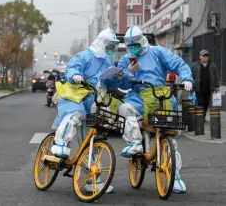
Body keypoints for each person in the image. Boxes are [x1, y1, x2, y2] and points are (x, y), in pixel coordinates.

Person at [116, 26, 194, 193]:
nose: (133, 49)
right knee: (125, 108)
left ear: (142, 41)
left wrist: (186, 78)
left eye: (135, 44)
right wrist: (127, 75)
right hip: (138, 96)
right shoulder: (127, 59)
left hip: (161, 97)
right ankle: (135, 143)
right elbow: (120, 82)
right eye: (130, 46)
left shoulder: (158, 52)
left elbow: (178, 64)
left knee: (171, 140)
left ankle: (175, 177)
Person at [51, 27, 121, 193]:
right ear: (101, 43)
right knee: (75, 115)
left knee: (91, 144)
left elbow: (107, 83)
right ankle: (60, 144)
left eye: (113, 46)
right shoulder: (84, 56)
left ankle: (92, 180)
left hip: (93, 102)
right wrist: (75, 75)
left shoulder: (108, 62)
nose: (111, 49)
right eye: (109, 45)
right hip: (73, 96)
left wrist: (118, 78)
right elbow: (72, 68)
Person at [190, 50, 220, 120]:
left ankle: (203, 115)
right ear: (200, 57)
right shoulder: (194, 65)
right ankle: (200, 117)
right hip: (198, 88)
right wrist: (191, 85)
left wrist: (217, 86)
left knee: (206, 103)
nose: (205, 57)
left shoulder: (212, 66)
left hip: (209, 88)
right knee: (201, 103)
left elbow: (216, 76)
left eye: (207, 56)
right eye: (204, 56)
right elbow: (190, 76)